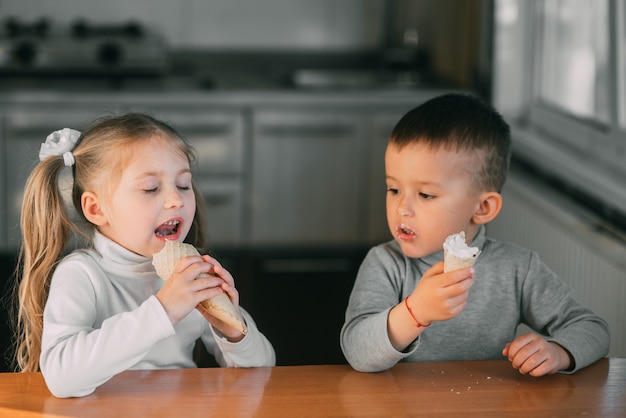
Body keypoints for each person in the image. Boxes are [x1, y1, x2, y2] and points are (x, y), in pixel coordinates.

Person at [340, 93, 610, 376]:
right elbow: (358, 351)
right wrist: (415, 312)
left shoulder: (518, 269)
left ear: (482, 207)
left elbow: (593, 328)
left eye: (426, 194)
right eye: (393, 189)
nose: (401, 208)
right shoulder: (386, 264)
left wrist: (559, 351)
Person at [14, 113, 275, 398]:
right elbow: (62, 379)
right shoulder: (81, 275)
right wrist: (162, 311)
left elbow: (263, 371)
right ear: (96, 209)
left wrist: (234, 332)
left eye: (184, 184)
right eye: (150, 188)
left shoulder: (191, 272)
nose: (176, 199)